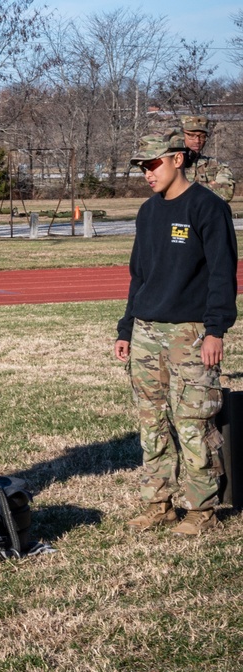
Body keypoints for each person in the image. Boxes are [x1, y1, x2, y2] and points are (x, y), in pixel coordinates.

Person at [115, 127, 237, 536]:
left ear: (177, 159)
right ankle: (159, 503)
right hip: (147, 332)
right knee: (151, 423)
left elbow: (223, 274)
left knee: (192, 421)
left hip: (191, 333)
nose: (148, 173)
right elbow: (139, 276)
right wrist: (127, 328)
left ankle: (202, 510)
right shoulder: (148, 211)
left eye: (153, 164)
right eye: (142, 167)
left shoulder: (208, 207)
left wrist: (216, 330)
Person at [180, 114, 235, 202]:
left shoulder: (216, 166)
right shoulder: (171, 164)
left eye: (202, 136)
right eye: (191, 135)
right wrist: (210, 186)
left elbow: (226, 194)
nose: (197, 141)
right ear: (182, 135)